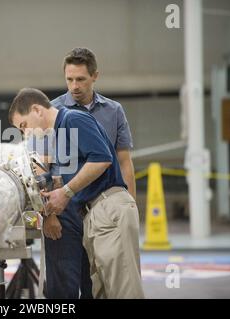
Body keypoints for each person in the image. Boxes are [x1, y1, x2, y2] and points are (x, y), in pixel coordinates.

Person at [10, 88, 144, 299]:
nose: (26, 134)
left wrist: (66, 192)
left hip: (108, 207)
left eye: (24, 125)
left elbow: (102, 158)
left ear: (37, 110)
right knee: (101, 290)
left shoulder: (73, 118)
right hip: (92, 213)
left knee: (123, 290)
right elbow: (64, 174)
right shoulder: (61, 132)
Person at [33, 48, 137, 298]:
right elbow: (41, 168)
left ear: (95, 76)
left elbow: (124, 163)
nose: (74, 86)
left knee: (98, 284)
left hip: (101, 210)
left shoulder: (113, 111)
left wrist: (129, 210)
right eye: (69, 79)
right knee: (62, 288)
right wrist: (48, 215)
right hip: (63, 211)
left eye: (80, 79)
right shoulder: (52, 111)